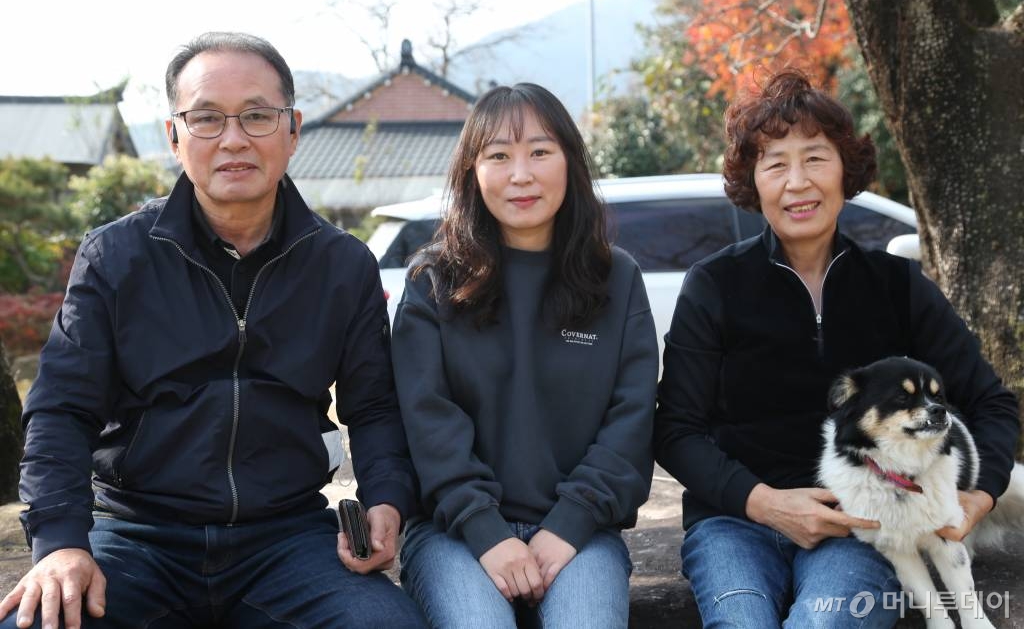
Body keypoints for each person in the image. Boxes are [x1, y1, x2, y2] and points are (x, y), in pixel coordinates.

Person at [0, 32, 426, 629]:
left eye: (257, 116)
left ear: (293, 129)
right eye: (206, 118)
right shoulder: (116, 256)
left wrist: (386, 500)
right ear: (175, 136)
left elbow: (376, 407)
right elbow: (60, 410)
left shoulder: (342, 264)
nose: (233, 139)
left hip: (288, 538)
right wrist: (62, 543)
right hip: (136, 534)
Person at [653, 69, 1020, 628]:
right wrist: (764, 503)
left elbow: (993, 404)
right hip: (735, 522)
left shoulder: (898, 286)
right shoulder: (714, 284)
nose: (797, 182)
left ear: (845, 169)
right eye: (775, 163)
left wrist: (982, 494)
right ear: (754, 182)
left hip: (864, 529)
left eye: (816, 158)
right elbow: (676, 428)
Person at [391, 83, 659, 628]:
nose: (521, 174)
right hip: (455, 536)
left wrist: (569, 525)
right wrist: (485, 531)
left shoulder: (618, 278)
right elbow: (426, 423)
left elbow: (631, 421)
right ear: (472, 170)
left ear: (570, 162)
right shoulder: (433, 282)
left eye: (540, 151)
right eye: (498, 155)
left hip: (578, 535)